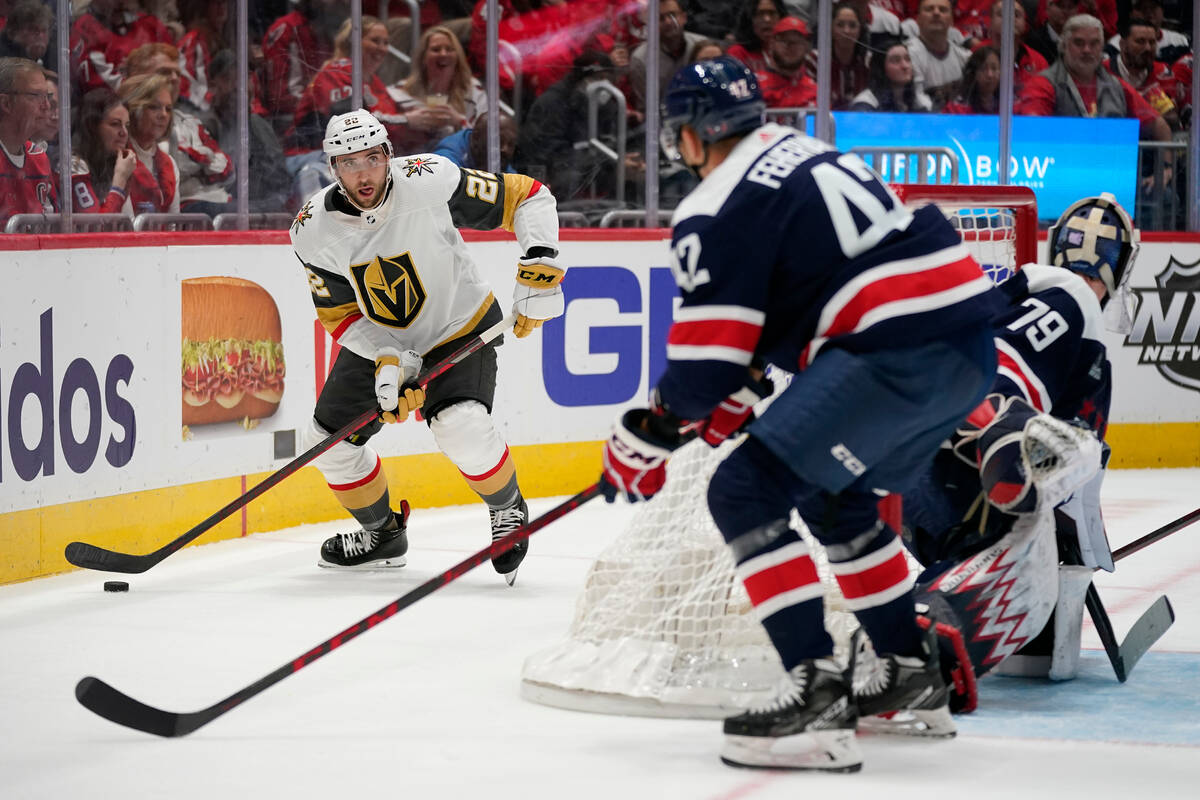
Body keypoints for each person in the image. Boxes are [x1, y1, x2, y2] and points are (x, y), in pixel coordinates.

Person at [598, 56, 1006, 771]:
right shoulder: (807, 151)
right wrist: (736, 393)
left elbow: (703, 373)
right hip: (966, 345)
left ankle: (814, 694)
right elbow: (789, 317)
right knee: (839, 500)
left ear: (692, 135)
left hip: (893, 344)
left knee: (744, 490)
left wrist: (649, 433)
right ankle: (910, 675)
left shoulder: (715, 205)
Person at [290, 110, 562, 586]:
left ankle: (507, 508)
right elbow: (338, 314)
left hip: (458, 326)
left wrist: (539, 265)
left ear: (388, 155)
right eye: (349, 162)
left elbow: (528, 197)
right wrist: (387, 359)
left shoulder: (429, 178)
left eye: (372, 158)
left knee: (461, 426)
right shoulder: (311, 230)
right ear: (332, 167)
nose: (363, 173)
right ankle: (382, 535)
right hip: (380, 340)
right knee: (327, 446)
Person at [903, 192, 1137, 692]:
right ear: (1119, 268)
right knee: (1074, 459)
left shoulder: (1011, 297)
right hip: (974, 429)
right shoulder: (1076, 299)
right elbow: (1078, 452)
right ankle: (1005, 436)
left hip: (914, 468)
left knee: (980, 549)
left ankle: (917, 627)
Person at [388, 25, 486, 154]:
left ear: (458, 56)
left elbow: (487, 139)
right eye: (436, 49)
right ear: (423, 57)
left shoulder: (473, 90)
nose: (443, 54)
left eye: (449, 49)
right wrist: (408, 121)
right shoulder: (399, 92)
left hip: (460, 164)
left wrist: (459, 122)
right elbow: (381, 129)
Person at [0, 56, 57, 225]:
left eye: (47, 96)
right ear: (6, 103)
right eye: (36, 96)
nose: (46, 106)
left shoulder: (39, 158)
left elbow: (52, 229)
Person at [68, 87, 141, 214]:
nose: (124, 132)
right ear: (92, 127)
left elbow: (128, 223)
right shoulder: (73, 165)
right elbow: (96, 229)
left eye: (127, 125)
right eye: (115, 124)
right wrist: (120, 181)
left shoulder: (115, 163)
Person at [118, 71, 181, 214]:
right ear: (132, 110)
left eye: (168, 109)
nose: (164, 115)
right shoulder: (116, 160)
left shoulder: (169, 163)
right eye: (154, 107)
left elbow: (174, 225)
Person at [629, 0, 707, 113]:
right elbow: (646, 110)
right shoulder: (640, 59)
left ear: (684, 17)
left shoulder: (702, 46)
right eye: (660, 18)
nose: (668, 22)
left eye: (672, 15)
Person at [1106, 16, 1181, 131]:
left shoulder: (1163, 72)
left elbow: (1172, 120)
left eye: (1152, 42)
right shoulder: (1104, 71)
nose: (1148, 48)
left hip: (1155, 141)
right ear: (1123, 45)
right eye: (1140, 41)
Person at [904, 0, 971, 110]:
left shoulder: (964, 56)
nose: (936, 13)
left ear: (952, 20)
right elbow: (917, 101)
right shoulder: (908, 55)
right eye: (929, 9)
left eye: (943, 10)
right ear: (918, 19)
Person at [850, 38, 934, 111]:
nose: (905, 66)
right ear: (881, 68)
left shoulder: (919, 102)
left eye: (907, 59)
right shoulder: (866, 104)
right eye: (896, 61)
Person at [755, 17, 817, 108]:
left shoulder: (814, 90)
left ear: (806, 47)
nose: (790, 47)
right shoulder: (755, 85)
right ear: (772, 44)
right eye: (784, 41)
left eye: (797, 42)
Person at [432, 111, 518, 172]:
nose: (505, 149)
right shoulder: (447, 158)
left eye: (511, 144)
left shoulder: (498, 157)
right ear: (476, 137)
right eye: (499, 141)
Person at [829, 1, 871, 109]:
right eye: (840, 25)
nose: (846, 31)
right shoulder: (815, 61)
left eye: (852, 25)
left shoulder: (869, 62)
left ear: (860, 31)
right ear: (831, 29)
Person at [727, 0, 787, 73]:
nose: (767, 19)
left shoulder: (791, 50)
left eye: (772, 13)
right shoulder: (738, 52)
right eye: (760, 13)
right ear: (750, 19)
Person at [944, 44, 1002, 112]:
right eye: (983, 68)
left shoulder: (1011, 103)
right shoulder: (956, 108)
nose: (990, 75)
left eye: (994, 68)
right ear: (973, 73)